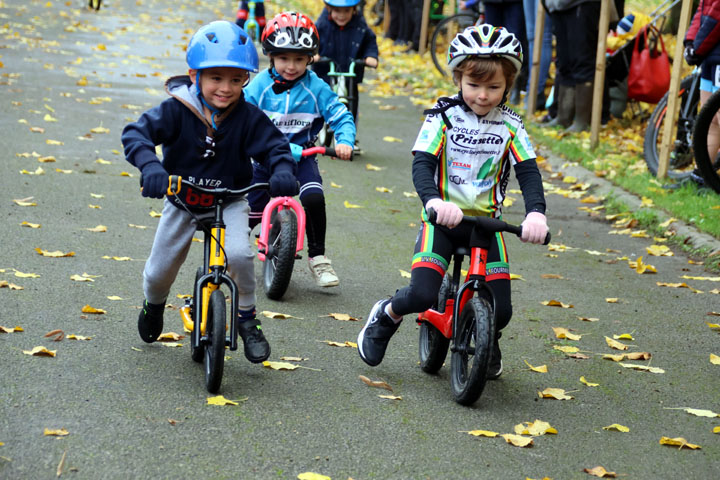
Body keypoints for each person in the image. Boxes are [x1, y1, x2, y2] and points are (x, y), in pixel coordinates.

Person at [357, 25, 548, 376]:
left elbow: (529, 173)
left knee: (501, 310)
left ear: (508, 85)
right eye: (474, 85)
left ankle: (485, 334)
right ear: (458, 78)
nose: (483, 95)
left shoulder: (511, 124)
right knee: (422, 295)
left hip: (486, 228)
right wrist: (432, 201)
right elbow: (422, 164)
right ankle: (386, 316)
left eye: (494, 87)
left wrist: (536, 213)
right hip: (442, 221)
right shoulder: (443, 116)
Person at [121, 21, 299, 363]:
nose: (226, 88)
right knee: (159, 272)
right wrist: (152, 168)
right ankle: (154, 305)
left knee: (241, 256)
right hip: (183, 202)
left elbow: (276, 147)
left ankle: (247, 319)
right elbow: (136, 134)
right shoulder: (176, 110)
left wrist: (282, 171)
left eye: (236, 79)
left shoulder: (247, 117)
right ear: (194, 75)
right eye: (216, 78)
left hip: (229, 200)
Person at [244, 12, 356, 288]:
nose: (291, 66)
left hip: (303, 156)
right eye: (284, 58)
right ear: (271, 56)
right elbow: (240, 115)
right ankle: (229, 253)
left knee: (314, 198)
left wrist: (344, 141)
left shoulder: (316, 88)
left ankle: (318, 257)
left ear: (310, 58)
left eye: (299, 59)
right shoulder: (260, 86)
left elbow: (340, 115)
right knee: (249, 210)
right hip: (264, 158)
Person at [313, 0, 379, 153]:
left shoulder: (360, 26)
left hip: (350, 72)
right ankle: (317, 128)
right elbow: (313, 40)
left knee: (352, 103)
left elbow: (370, 41)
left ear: (354, 10)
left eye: (346, 11)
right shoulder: (322, 25)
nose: (341, 16)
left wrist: (370, 56)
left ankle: (349, 136)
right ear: (329, 8)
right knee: (321, 99)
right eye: (337, 11)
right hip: (327, 71)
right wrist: (314, 54)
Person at [685, 0, 720, 184]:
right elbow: (702, 8)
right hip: (709, 56)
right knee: (710, 122)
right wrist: (690, 41)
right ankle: (702, 176)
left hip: (713, 51)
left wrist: (697, 47)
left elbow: (716, 16)